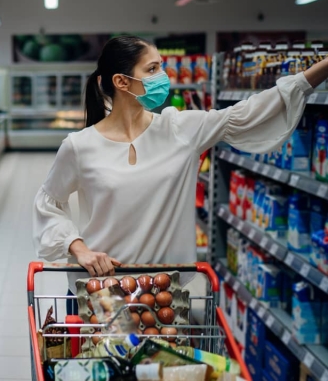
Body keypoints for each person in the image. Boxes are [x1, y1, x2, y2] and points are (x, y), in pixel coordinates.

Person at [33, 35, 328, 316]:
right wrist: (78, 247)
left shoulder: (180, 130)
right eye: (153, 69)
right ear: (122, 82)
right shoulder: (79, 145)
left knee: (162, 368)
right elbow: (48, 203)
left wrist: (315, 73)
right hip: (98, 289)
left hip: (163, 296)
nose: (164, 77)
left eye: (162, 66)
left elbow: (250, 113)